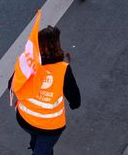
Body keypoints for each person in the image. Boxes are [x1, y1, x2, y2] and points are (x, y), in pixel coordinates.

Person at [13, 26, 81, 154]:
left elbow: (12, 84)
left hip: (25, 119)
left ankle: (36, 144)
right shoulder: (63, 69)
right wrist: (73, 104)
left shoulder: (28, 62)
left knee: (38, 143)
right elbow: (76, 101)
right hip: (50, 127)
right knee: (42, 148)